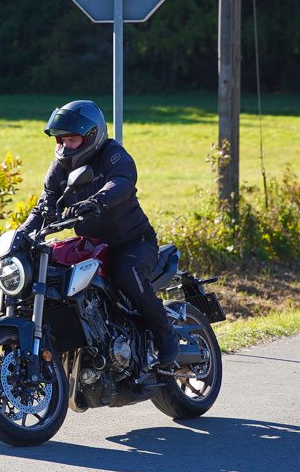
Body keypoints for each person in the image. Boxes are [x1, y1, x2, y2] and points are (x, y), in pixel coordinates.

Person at [17, 100, 179, 366]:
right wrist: (20, 237)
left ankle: (166, 333)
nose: (65, 146)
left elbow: (122, 181)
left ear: (92, 136)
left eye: (72, 140)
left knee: (127, 274)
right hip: (92, 247)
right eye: (61, 141)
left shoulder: (112, 154)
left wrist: (97, 200)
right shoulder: (59, 168)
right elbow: (44, 207)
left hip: (132, 243)